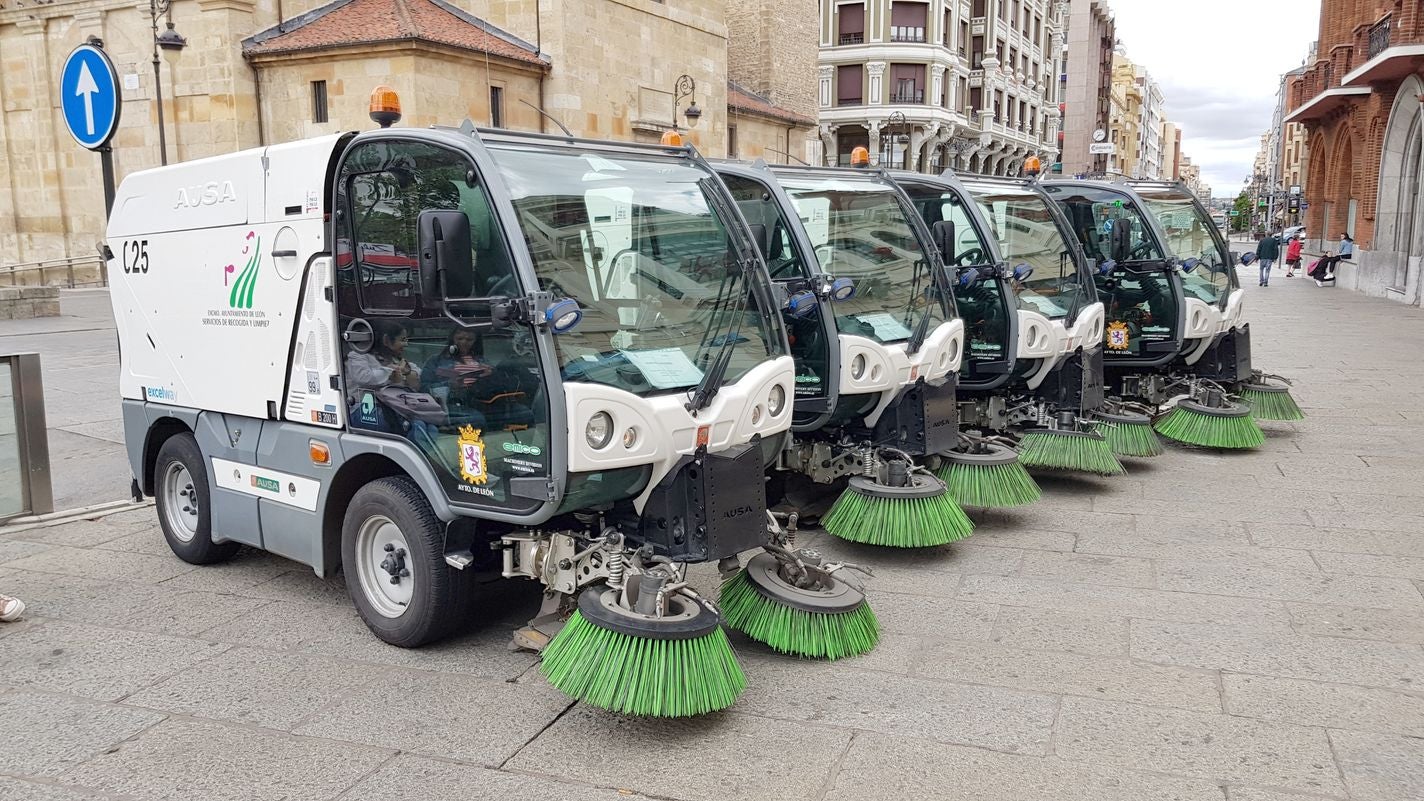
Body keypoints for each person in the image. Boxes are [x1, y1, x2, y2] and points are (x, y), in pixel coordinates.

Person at [422, 329, 493, 427]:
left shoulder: (483, 361)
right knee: (476, 420)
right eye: (459, 338)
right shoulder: (436, 361)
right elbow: (423, 388)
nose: (463, 342)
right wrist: (449, 386)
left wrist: (489, 377)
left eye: (469, 340)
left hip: (477, 401)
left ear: (476, 341)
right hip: (451, 402)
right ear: (452, 339)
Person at [345, 318, 421, 405]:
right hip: (362, 407)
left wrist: (407, 373)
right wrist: (390, 373)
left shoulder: (395, 359)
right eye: (402, 340)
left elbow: (418, 377)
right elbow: (363, 377)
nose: (406, 344)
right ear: (386, 340)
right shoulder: (358, 355)